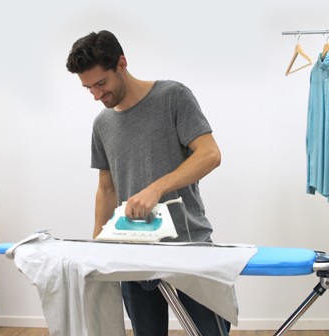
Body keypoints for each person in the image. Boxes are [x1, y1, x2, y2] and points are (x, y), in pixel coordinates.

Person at [66, 30, 230, 336]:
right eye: (88, 88)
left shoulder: (173, 97)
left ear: (122, 63)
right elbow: (107, 188)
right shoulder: (102, 124)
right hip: (133, 253)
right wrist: (96, 246)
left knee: (210, 331)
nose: (97, 95)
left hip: (189, 247)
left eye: (101, 83)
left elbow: (210, 154)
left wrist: (156, 188)